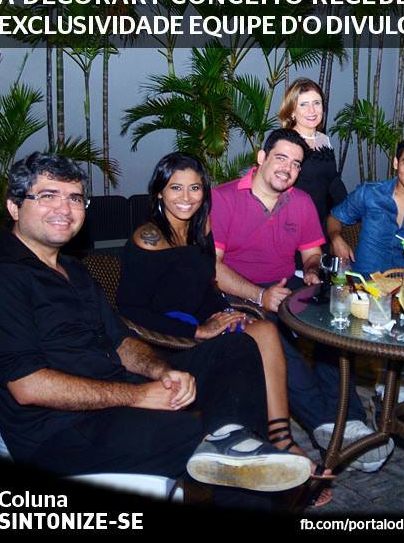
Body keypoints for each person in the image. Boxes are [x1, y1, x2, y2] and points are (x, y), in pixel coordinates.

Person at [0, 153, 312, 510]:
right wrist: (138, 396)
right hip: (59, 434)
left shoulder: (72, 270)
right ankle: (238, 459)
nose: (64, 208)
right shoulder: (0, 278)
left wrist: (163, 371)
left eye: (75, 198)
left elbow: (120, 340)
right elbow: (28, 386)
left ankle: (236, 443)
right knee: (203, 437)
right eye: (48, 196)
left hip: (111, 397)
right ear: (14, 207)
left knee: (236, 349)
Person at [115, 152, 332, 505]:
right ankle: (254, 450)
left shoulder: (200, 231)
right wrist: (198, 332)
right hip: (166, 342)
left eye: (195, 188)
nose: (186, 197)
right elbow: (130, 310)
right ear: (159, 193)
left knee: (264, 330)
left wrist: (226, 313)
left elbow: (205, 288)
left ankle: (280, 439)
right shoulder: (148, 238)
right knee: (248, 348)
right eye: (176, 188)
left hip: (200, 329)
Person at [210, 128, 394, 472]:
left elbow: (311, 254)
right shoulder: (223, 198)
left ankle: (351, 420)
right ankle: (326, 425)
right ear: (262, 158)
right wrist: (260, 295)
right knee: (278, 344)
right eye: (281, 158)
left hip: (286, 288)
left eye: (295, 164)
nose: (288, 168)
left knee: (334, 326)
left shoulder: (301, 201)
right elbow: (213, 269)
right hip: (236, 295)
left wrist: (311, 270)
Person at [327, 136, 404, 276]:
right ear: (396, 163)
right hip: (362, 281)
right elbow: (335, 218)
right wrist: (335, 238)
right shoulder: (369, 193)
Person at [277, 77, 347, 229]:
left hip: (321, 220)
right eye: (303, 104)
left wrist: (351, 207)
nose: (312, 110)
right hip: (292, 222)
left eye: (316, 103)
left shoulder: (324, 140)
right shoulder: (286, 142)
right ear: (292, 111)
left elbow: (332, 181)